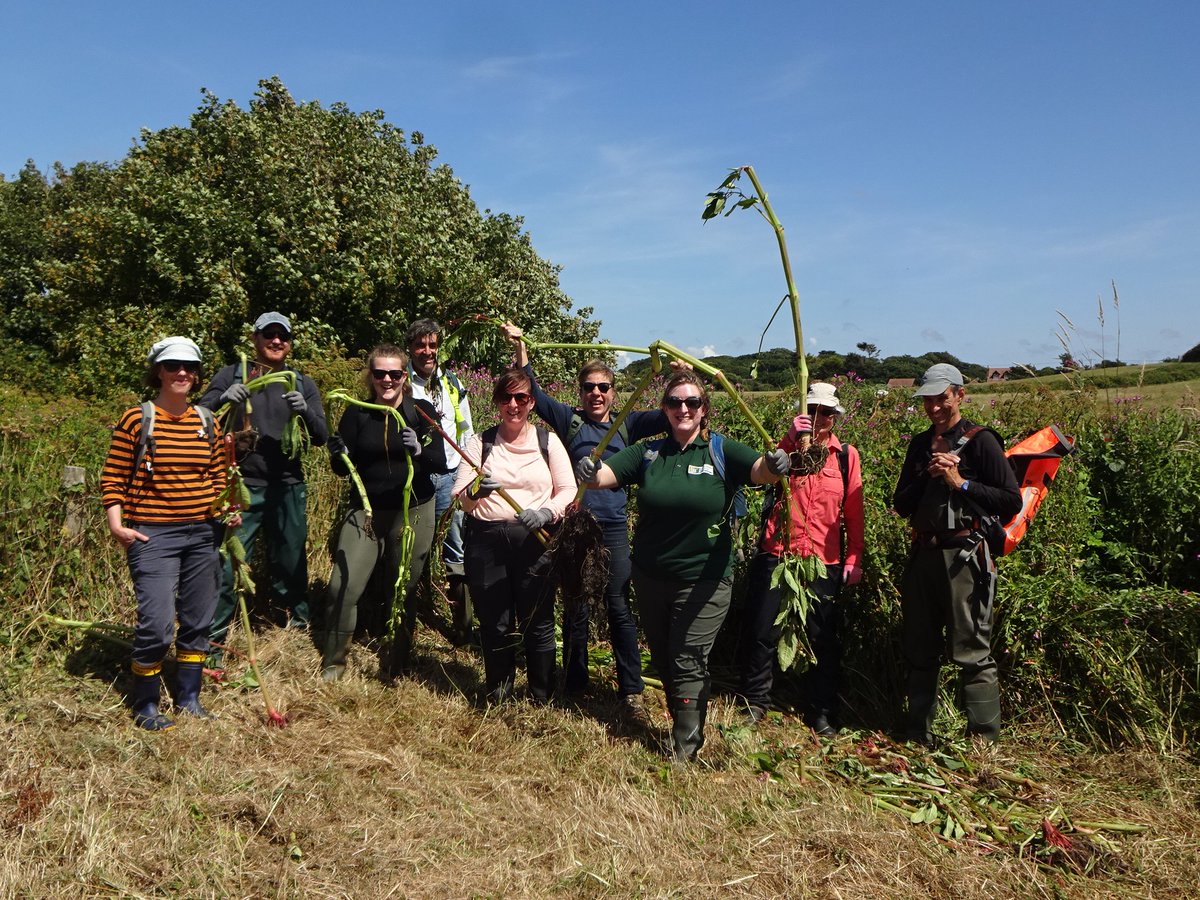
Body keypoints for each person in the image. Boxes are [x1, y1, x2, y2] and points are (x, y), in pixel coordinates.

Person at [577, 372, 790, 762]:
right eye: (675, 402)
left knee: (687, 656)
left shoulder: (720, 451)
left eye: (692, 402)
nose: (683, 409)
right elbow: (606, 474)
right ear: (664, 409)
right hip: (652, 577)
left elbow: (760, 470)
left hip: (705, 579)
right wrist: (588, 472)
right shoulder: (649, 453)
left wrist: (775, 465)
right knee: (665, 658)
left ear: (704, 409)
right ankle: (684, 716)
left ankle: (685, 749)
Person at [502, 323, 675, 723]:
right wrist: (521, 347)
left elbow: (672, 413)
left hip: (612, 528)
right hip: (576, 528)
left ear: (614, 392)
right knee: (576, 607)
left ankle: (631, 690)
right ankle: (575, 683)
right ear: (580, 392)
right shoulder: (570, 421)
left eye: (604, 387)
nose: (596, 393)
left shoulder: (629, 423)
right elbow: (534, 392)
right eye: (589, 387)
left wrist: (663, 367)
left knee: (617, 606)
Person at [101, 337, 241, 730]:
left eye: (190, 367)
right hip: (153, 536)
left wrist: (227, 510)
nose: (182, 373)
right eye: (173, 366)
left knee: (198, 620)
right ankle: (145, 704)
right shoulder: (137, 419)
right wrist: (117, 523)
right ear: (158, 371)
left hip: (202, 534)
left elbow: (216, 477)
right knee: (158, 623)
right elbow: (113, 476)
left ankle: (189, 697)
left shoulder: (206, 421)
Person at [892, 363, 1021, 744]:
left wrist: (960, 483)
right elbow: (901, 504)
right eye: (928, 399)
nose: (933, 407)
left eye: (941, 398)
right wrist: (926, 475)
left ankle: (983, 740)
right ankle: (918, 732)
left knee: (972, 651)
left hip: (964, 558)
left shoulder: (982, 442)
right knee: (919, 648)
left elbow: (1011, 501)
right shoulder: (919, 445)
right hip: (923, 557)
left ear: (960, 395)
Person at [735, 382, 865, 734]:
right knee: (763, 630)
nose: (819, 418)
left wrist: (854, 555)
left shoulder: (844, 456)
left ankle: (821, 709)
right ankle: (755, 701)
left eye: (825, 412)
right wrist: (790, 439)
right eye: (812, 411)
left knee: (822, 635)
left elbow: (853, 510)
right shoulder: (786, 449)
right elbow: (766, 475)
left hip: (823, 557)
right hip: (778, 551)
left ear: (835, 417)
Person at [200, 312, 329, 655]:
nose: (276, 341)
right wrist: (224, 397)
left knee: (290, 561)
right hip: (240, 483)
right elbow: (199, 417)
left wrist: (305, 411)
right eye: (269, 335)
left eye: (282, 336)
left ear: (289, 342)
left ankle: (294, 632)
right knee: (228, 563)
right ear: (255, 339)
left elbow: (322, 435)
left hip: (287, 485)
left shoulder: (301, 382)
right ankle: (215, 638)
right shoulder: (234, 373)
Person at [321, 346, 446, 682]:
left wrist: (419, 449)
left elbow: (440, 461)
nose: (387, 380)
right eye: (380, 374)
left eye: (395, 374)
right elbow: (340, 468)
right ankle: (333, 663)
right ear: (371, 376)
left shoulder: (421, 411)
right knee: (342, 586)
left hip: (414, 509)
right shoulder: (357, 413)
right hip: (367, 511)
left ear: (405, 376)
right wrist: (338, 453)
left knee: (403, 587)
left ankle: (397, 662)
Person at [452, 368, 576, 704]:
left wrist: (547, 513)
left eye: (521, 397)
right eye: (506, 397)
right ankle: (499, 691)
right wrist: (478, 488)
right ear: (497, 402)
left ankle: (542, 694)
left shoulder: (548, 442)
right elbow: (461, 497)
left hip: (534, 541)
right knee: (495, 621)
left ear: (532, 402)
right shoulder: (480, 443)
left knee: (538, 620)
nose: (513, 404)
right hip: (486, 541)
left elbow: (567, 489)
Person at [406, 319, 475, 643]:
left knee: (457, 551)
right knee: (413, 548)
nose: (427, 351)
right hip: (415, 480)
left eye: (432, 345)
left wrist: (468, 475)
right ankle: (409, 619)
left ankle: (463, 628)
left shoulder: (452, 383)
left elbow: (468, 433)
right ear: (411, 348)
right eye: (421, 345)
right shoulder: (399, 382)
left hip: (451, 478)